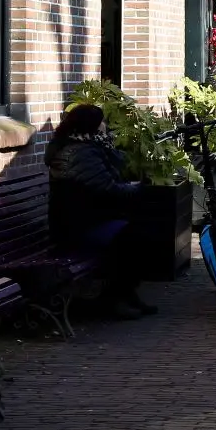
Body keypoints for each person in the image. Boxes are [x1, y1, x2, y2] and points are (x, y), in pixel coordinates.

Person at [44, 104, 156, 321]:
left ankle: (126, 293)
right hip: (77, 228)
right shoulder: (79, 153)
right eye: (101, 122)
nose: (105, 125)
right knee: (134, 238)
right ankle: (114, 298)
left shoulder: (87, 146)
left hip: (88, 219)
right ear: (91, 126)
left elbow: (112, 174)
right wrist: (139, 189)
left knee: (141, 232)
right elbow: (108, 188)